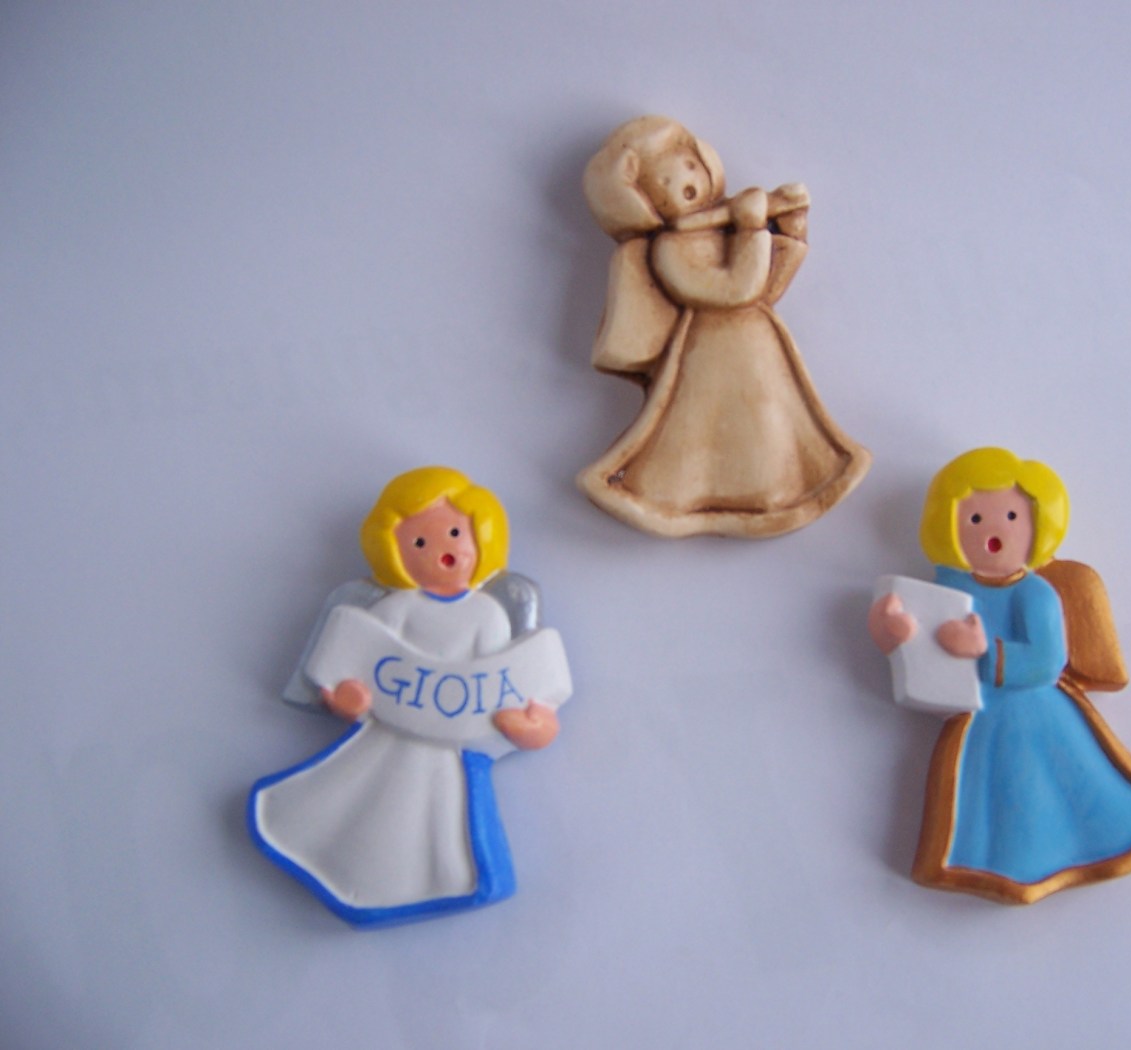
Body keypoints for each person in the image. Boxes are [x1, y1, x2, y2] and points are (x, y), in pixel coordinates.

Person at [869, 448, 1131, 904]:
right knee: (989, 797)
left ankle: (1049, 855)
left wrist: (984, 651)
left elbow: (1046, 660)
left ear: (1038, 528)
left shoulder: (1035, 593)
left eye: (1012, 516)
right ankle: (993, 864)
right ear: (948, 526)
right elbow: (921, 641)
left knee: (1037, 784)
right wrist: (892, 632)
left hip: (1033, 713)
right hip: (978, 717)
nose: (993, 531)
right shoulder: (948, 588)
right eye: (975, 518)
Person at [248, 467, 562, 926]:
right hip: (387, 736)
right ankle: (327, 855)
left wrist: (533, 726)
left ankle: (428, 880)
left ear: (482, 536)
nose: (441, 549)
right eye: (419, 542)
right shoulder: (395, 608)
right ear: (394, 553)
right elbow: (352, 668)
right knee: (356, 796)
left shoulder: (487, 615)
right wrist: (345, 700)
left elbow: (511, 686)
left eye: (455, 533)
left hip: (448, 751)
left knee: (437, 820)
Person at [578, 115, 870, 538]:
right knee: (704, 427)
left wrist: (791, 228)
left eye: (689, 166)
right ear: (645, 202)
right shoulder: (669, 249)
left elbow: (767, 286)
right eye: (666, 180)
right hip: (712, 355)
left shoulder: (720, 226)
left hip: (758, 344)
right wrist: (751, 226)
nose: (687, 183)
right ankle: (678, 499)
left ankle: (774, 492)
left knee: (768, 419)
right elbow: (737, 289)